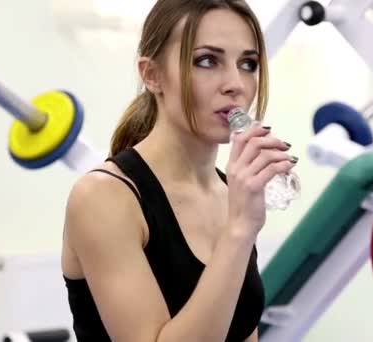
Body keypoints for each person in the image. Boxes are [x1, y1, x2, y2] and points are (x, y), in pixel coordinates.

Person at [61, 1, 298, 341]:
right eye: (207, 60)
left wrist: (240, 223)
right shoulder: (102, 197)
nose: (236, 84)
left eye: (248, 63)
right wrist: (240, 229)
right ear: (152, 74)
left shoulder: (230, 194)